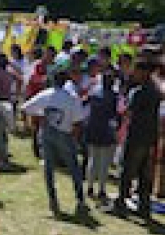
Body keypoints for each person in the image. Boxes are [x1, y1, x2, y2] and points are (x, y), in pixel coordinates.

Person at [23, 68, 89, 217]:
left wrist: (42, 115)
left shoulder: (46, 94)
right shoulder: (72, 97)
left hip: (48, 132)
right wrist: (76, 139)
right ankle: (80, 200)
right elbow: (78, 121)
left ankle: (53, 201)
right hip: (65, 133)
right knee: (73, 167)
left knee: (49, 168)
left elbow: (26, 107)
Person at [113, 60, 162, 223]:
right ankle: (144, 207)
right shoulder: (156, 91)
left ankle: (121, 203)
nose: (133, 74)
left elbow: (128, 112)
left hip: (136, 136)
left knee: (127, 171)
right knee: (144, 175)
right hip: (150, 137)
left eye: (136, 71)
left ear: (144, 72)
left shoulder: (138, 92)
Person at [84, 71, 119, 203]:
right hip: (107, 131)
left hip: (92, 129)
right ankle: (102, 190)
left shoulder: (93, 94)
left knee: (92, 159)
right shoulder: (114, 96)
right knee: (104, 163)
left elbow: (83, 103)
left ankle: (90, 187)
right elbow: (116, 115)